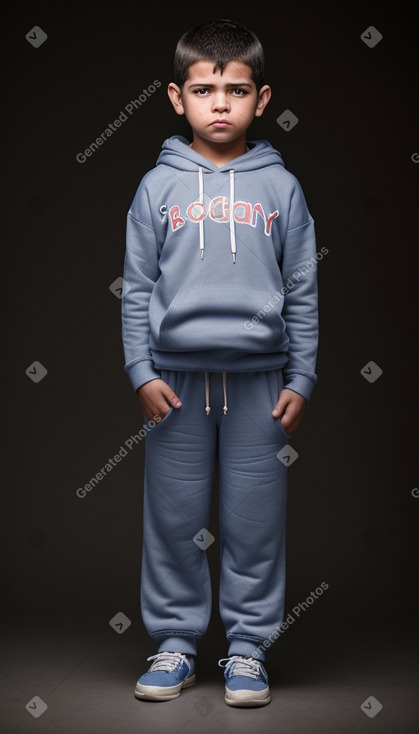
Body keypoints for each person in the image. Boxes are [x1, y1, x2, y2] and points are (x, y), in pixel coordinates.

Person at [121, 18, 319, 708]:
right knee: (173, 519)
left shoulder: (281, 189)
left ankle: (246, 650)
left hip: (261, 387)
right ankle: (174, 643)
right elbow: (136, 287)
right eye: (204, 89)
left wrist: (302, 377)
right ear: (177, 98)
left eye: (235, 90)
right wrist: (140, 372)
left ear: (260, 100)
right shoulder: (156, 187)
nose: (220, 104)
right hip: (172, 384)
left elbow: (303, 289)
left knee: (253, 521)